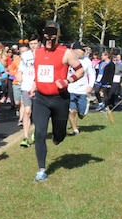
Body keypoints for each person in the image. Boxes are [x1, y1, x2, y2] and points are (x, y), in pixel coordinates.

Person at [30, 21, 84, 182]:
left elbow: (80, 70)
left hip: (59, 99)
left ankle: (58, 136)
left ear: (58, 35)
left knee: (59, 135)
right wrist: (34, 85)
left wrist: (68, 80)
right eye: (46, 33)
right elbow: (38, 73)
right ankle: (41, 169)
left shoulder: (66, 53)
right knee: (39, 133)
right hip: (41, 99)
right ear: (43, 34)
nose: (49, 37)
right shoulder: (37, 52)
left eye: (53, 34)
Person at [67, 42, 94, 135]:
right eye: (82, 50)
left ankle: (81, 113)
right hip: (70, 90)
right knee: (72, 111)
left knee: (82, 113)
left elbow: (92, 73)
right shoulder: (68, 59)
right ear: (75, 50)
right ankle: (75, 130)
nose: (84, 52)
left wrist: (90, 85)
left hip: (82, 90)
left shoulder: (87, 61)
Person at [16, 40, 38, 147]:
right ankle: (26, 137)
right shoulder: (25, 55)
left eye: (35, 44)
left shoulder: (43, 54)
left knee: (38, 112)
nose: (33, 46)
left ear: (39, 44)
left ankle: (36, 132)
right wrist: (19, 75)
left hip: (39, 87)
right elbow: (21, 68)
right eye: (31, 44)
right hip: (26, 86)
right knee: (27, 111)